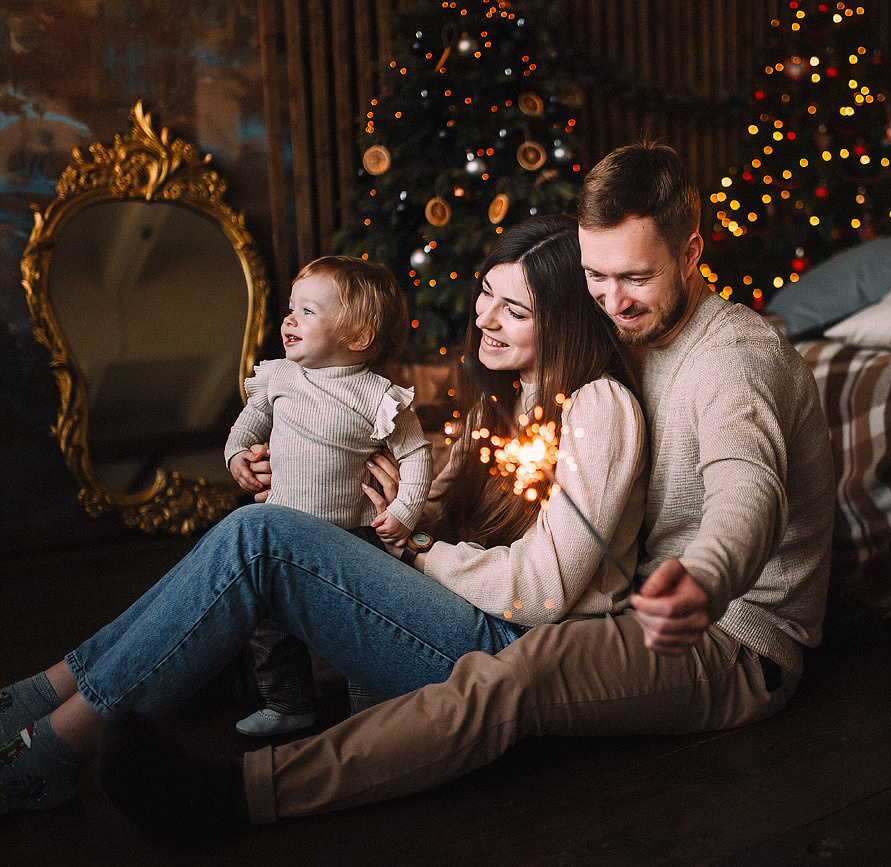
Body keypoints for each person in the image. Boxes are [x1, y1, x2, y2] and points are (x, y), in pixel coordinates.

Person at [89, 141, 837, 843]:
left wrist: (706, 575)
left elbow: (748, 487)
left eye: (635, 277)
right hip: (634, 598)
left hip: (730, 639)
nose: (611, 300)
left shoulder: (733, 360)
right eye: (596, 276)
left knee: (520, 676)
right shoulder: (623, 335)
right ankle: (92, 701)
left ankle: (236, 794)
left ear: (693, 253)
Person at [0, 214, 647, 817]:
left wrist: (416, 545)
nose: (484, 318)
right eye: (485, 293)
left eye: (515, 310)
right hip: (458, 608)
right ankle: (41, 700)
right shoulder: (502, 396)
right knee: (261, 530)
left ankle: (50, 748)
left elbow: (541, 590)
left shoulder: (599, 408)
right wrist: (382, 510)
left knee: (260, 537)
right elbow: (445, 512)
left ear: (566, 322)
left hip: (508, 652)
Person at [225, 255, 435, 737]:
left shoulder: (377, 396)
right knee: (269, 622)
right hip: (281, 530)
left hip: (352, 537)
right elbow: (247, 426)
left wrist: (405, 512)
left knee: (357, 626)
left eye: (307, 311)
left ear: (357, 337)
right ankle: (288, 703)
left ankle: (367, 707)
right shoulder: (280, 376)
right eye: (291, 309)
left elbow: (417, 456)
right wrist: (238, 456)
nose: (289, 320)